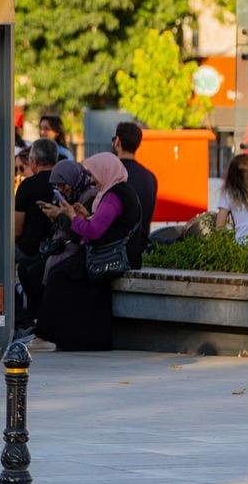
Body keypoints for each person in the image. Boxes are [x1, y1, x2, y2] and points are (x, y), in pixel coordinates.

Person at [35, 152, 142, 351]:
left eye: (94, 174)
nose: (93, 180)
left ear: (105, 171)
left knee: (58, 275)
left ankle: (46, 336)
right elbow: (104, 224)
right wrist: (84, 215)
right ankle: (62, 337)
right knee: (63, 274)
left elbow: (93, 232)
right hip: (114, 255)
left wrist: (71, 216)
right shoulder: (122, 191)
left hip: (106, 257)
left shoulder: (113, 197)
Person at [13, 138, 59, 338]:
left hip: (29, 249)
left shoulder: (28, 186)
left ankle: (22, 320)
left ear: (34, 162)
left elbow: (16, 231)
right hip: (57, 248)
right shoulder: (62, 182)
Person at [112, 122, 158, 269]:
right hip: (141, 247)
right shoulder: (150, 177)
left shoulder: (110, 175)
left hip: (114, 251)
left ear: (117, 141)